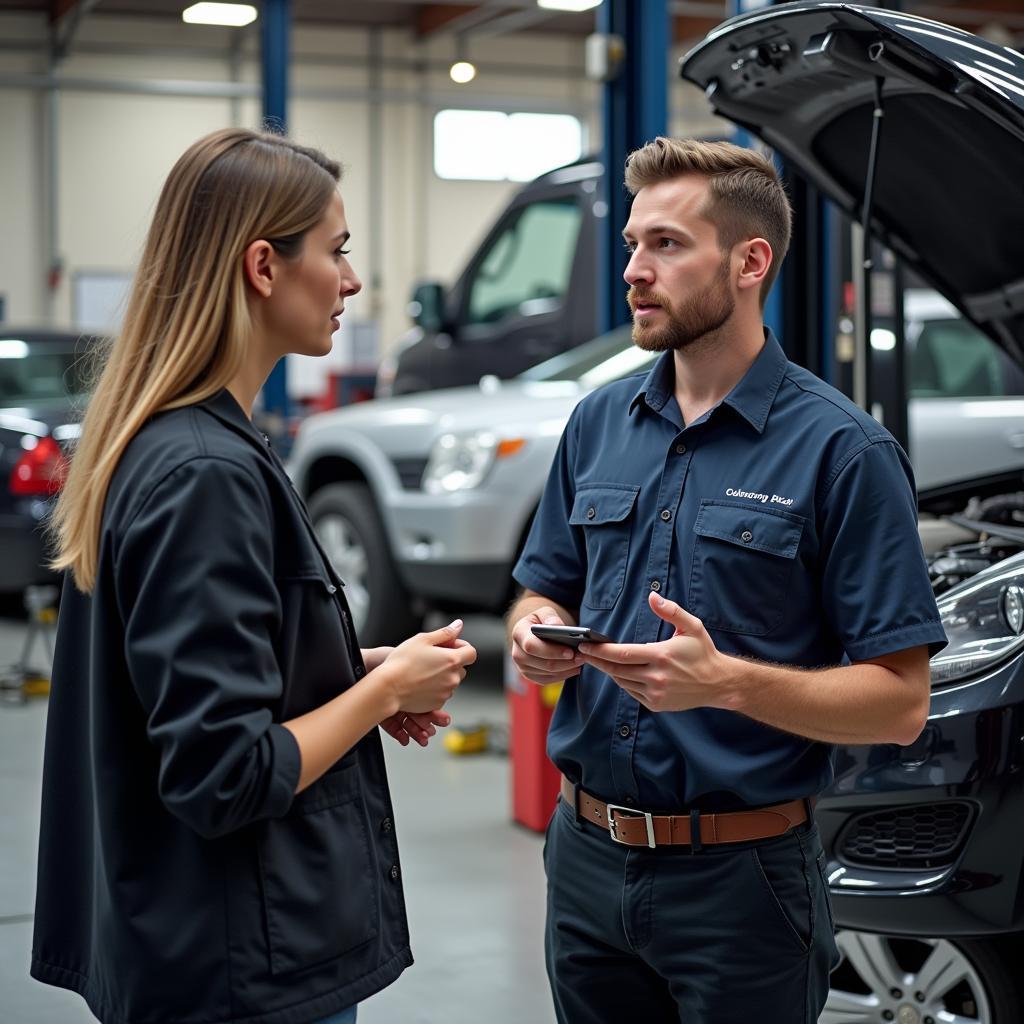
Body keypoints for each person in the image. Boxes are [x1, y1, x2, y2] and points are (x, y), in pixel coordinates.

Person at [31, 127, 477, 1024]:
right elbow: (223, 772)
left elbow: (198, 679)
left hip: (199, 953)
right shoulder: (203, 472)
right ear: (263, 266)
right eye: (337, 250)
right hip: (239, 976)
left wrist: (347, 670)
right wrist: (384, 691)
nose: (353, 281)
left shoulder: (179, 444)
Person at [507, 138, 947, 1024]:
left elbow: (900, 703)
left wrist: (728, 685)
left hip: (741, 883)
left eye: (666, 245)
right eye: (633, 244)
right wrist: (535, 628)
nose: (634, 269)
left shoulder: (842, 452)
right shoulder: (598, 422)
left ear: (751, 261)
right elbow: (540, 586)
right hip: (586, 861)